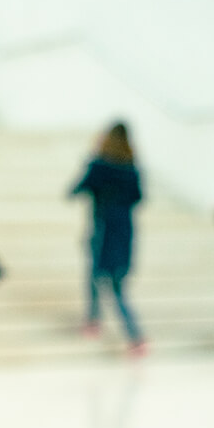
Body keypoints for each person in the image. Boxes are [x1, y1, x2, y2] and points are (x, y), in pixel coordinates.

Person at [69, 120, 146, 354]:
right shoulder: (131, 168)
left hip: (103, 229)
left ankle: (94, 321)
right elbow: (138, 197)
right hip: (124, 230)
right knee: (116, 285)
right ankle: (134, 335)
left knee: (97, 277)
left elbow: (77, 188)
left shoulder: (101, 165)